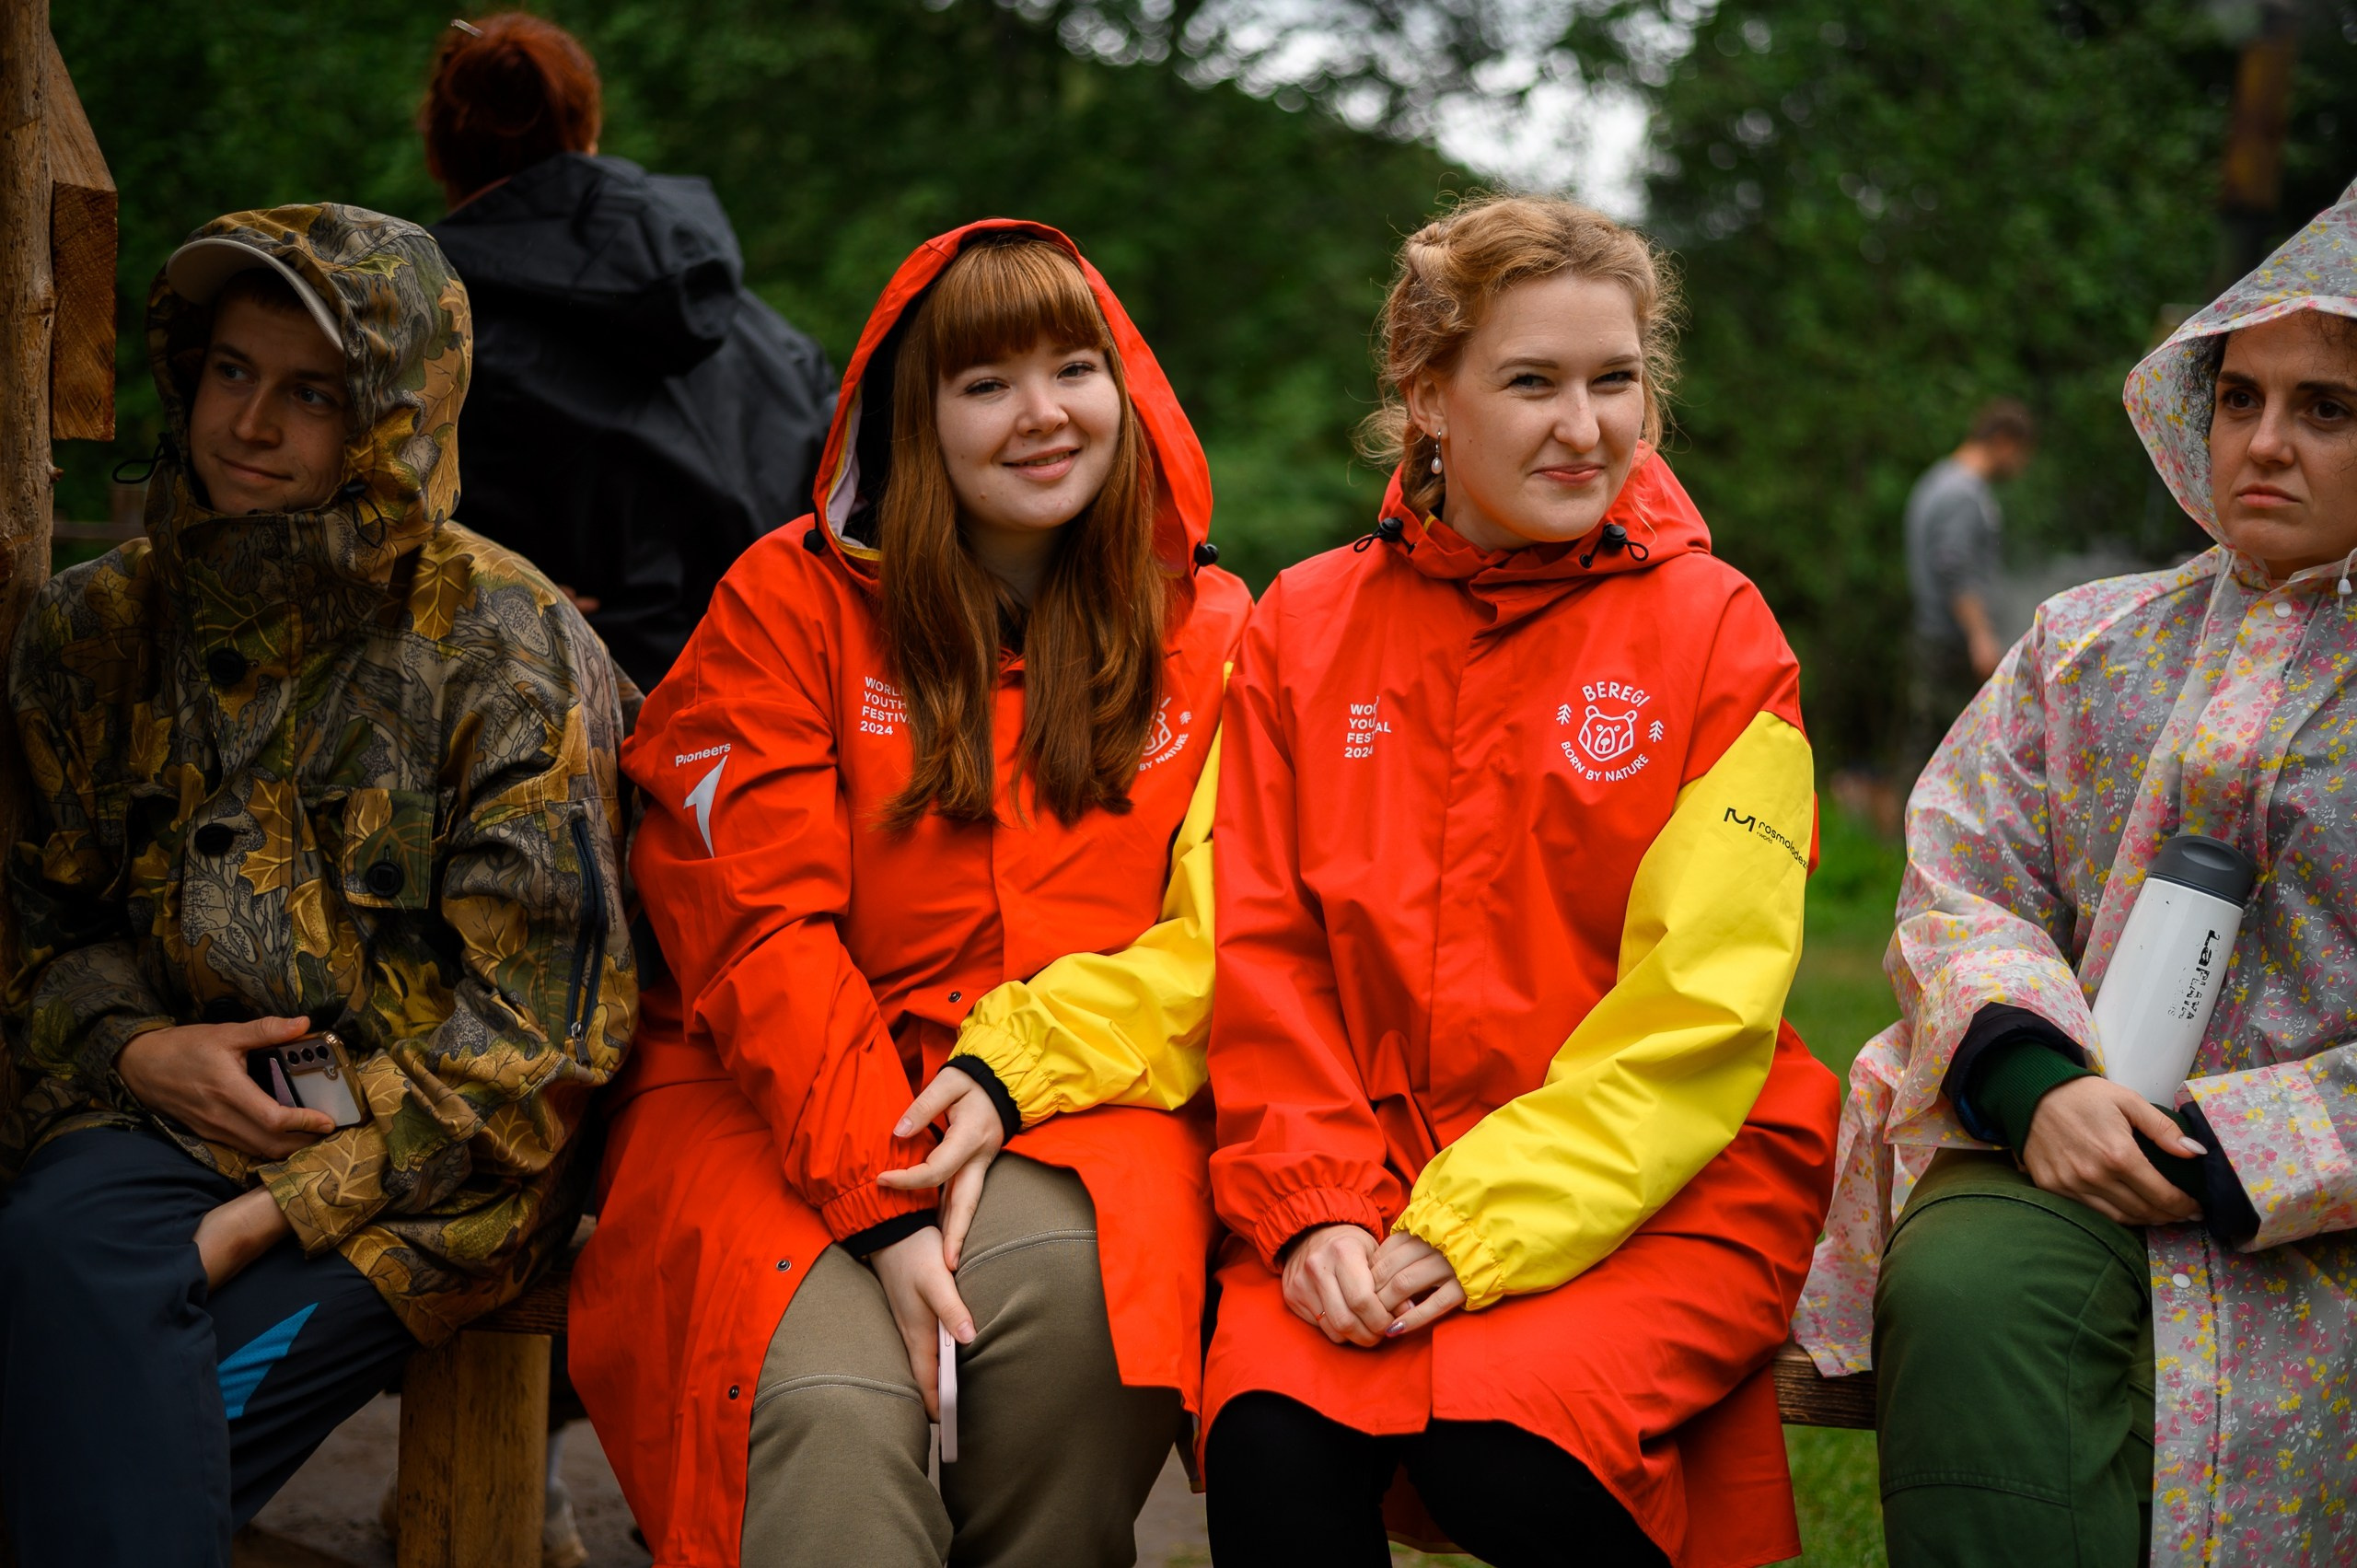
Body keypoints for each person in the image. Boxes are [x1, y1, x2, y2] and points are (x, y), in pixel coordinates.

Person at [568, 220, 1249, 1567]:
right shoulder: (784, 605)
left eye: (1074, 366)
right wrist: (879, 1202)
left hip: (1077, 1097)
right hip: (766, 1092)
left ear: (1131, 387)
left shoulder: (1216, 634)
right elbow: (753, 922)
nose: (1044, 415)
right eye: (986, 382)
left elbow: (1226, 938)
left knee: (1075, 1312)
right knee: (827, 1412)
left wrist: (1012, 1072)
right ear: (914, 418)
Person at [1202, 194, 1840, 1568]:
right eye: (1532, 381)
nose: (1585, 425)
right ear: (1429, 396)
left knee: (1501, 1446)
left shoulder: (1720, 632)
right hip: (1360, 1164)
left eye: (1615, 380)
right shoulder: (1301, 626)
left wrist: (1481, 1221)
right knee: (1269, 1436)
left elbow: (1702, 1012)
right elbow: (1259, 948)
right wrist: (1312, 1200)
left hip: (1671, 1175)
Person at [0, 205, 636, 1566]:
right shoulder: (96, 629)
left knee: (108, 1437)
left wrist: (258, 1220)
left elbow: (542, 1047)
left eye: (313, 393)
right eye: (233, 370)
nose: (252, 421)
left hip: (431, 1182)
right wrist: (142, 1046)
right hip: (146, 1126)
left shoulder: (505, 648)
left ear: (396, 418)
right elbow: (36, 930)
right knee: (57, 1254)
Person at [1796, 180, 2357, 1568]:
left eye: (2327, 409)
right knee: (1973, 1289)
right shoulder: (2087, 643)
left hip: (2328, 1207)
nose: (2265, 441)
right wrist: (2043, 1091)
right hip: (2058, 1146)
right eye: (2239, 398)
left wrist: (2251, 1149)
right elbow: (1963, 880)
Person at [421, 13, 836, 693]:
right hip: (790, 711)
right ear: (587, 135)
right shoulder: (761, 331)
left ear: (439, 155)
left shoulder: (430, 353)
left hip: (588, 741)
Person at [1902, 398, 2036, 768]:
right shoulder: (1962, 493)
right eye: (2021, 454)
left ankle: (1905, 824)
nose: (2021, 466)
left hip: (1933, 638)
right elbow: (1953, 568)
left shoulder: (1938, 479)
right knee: (1944, 752)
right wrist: (1980, 636)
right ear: (2005, 441)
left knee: (1929, 742)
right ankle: (1912, 826)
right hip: (1949, 645)